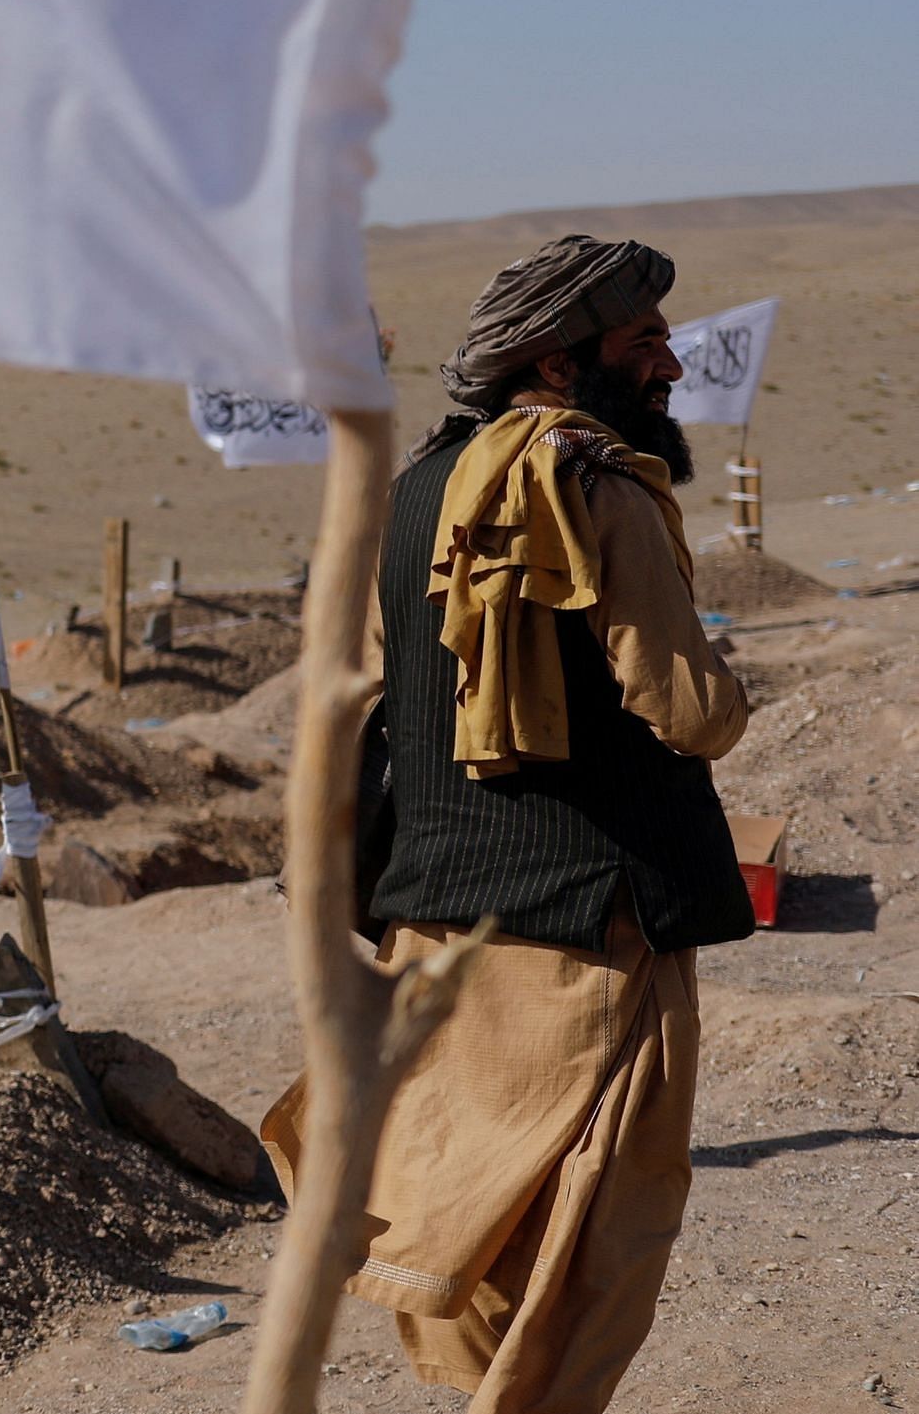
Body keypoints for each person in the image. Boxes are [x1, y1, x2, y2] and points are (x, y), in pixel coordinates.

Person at [263, 235, 751, 1413]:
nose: (669, 368)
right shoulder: (594, 485)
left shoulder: (414, 491)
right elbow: (690, 711)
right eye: (641, 344)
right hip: (597, 928)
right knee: (598, 1238)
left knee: (474, 1220)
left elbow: (379, 691)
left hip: (436, 917)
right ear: (552, 356)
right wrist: (721, 675)